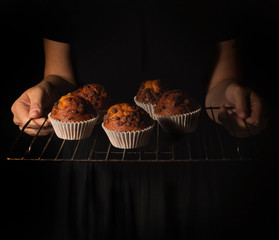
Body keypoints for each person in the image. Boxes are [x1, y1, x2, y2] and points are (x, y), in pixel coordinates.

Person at [10, 1, 271, 239]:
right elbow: (60, 77)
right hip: (92, 166)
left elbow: (222, 80)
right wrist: (45, 90)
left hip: (192, 162)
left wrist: (230, 94)